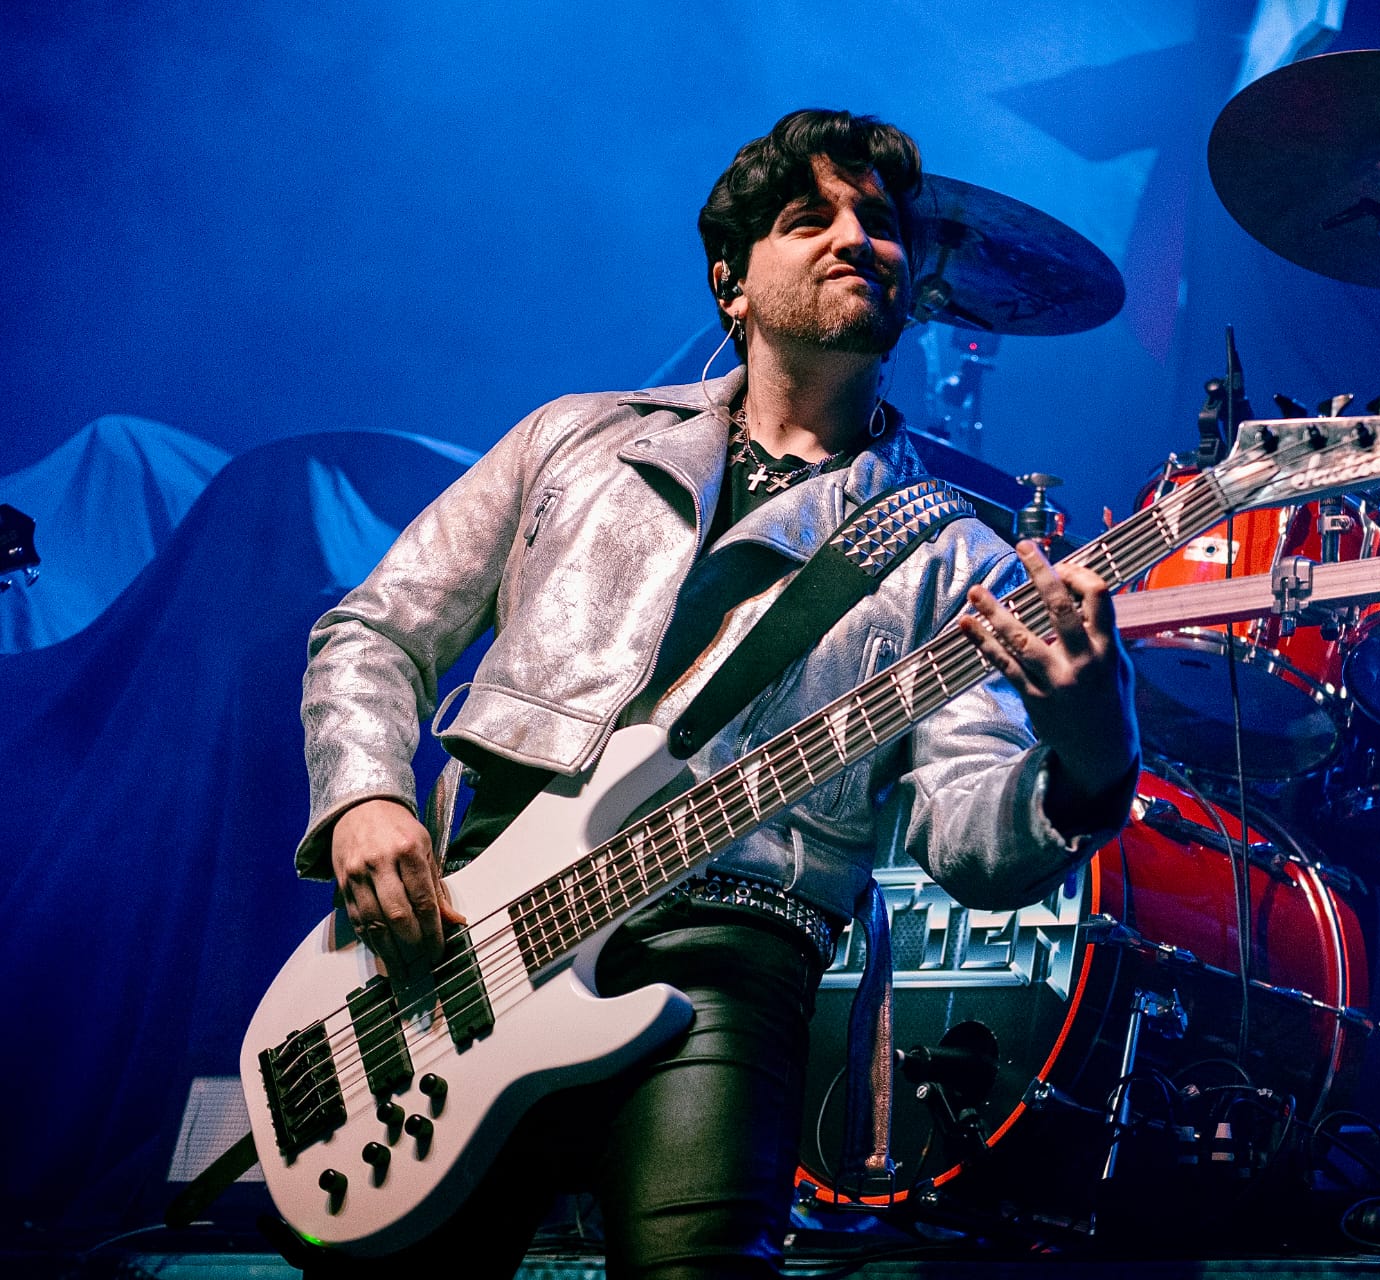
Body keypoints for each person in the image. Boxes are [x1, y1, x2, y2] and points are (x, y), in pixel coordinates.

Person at [293, 108, 1140, 1277]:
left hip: (728, 956)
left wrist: (1089, 755)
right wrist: (365, 799)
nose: (856, 237)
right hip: (464, 937)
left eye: (878, 221)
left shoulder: (960, 558)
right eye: (808, 217)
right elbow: (374, 628)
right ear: (730, 281)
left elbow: (969, 840)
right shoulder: (573, 442)